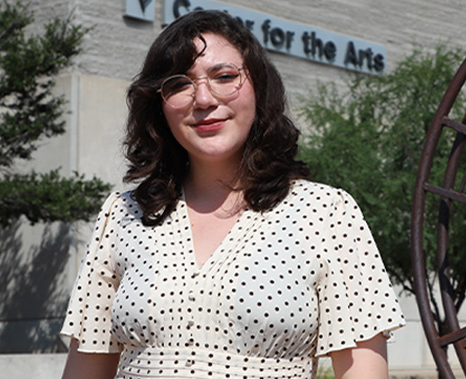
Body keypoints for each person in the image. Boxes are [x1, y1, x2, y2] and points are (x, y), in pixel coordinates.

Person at [59, 10, 405, 379]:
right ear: (158, 105)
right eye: (179, 84)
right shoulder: (122, 215)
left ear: (259, 86)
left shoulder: (326, 214)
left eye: (224, 77)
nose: (203, 99)